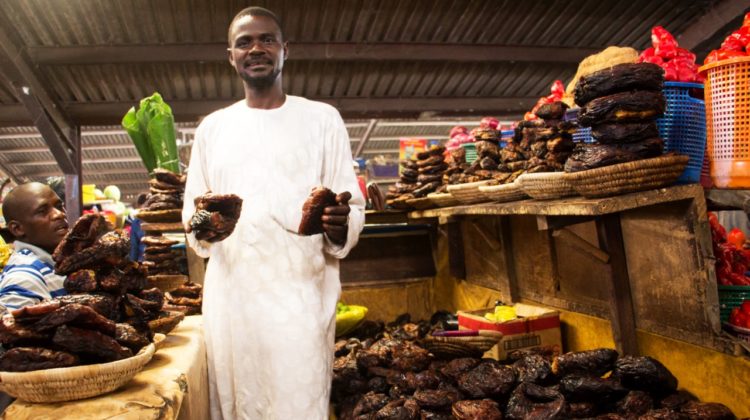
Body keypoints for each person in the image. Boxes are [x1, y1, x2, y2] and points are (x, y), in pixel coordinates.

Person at [181, 7, 365, 419]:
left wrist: (340, 223)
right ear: (231, 56)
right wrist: (206, 228)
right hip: (234, 297)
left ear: (285, 50)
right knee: (238, 400)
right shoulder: (213, 128)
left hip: (300, 293)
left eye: (266, 39)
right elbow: (192, 218)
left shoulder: (322, 119)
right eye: (244, 42)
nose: (256, 48)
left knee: (298, 398)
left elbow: (351, 205)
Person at [0, 182, 68, 312]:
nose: (59, 214)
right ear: (17, 229)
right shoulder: (23, 277)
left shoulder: (53, 265)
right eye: (42, 211)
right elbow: (10, 328)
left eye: (59, 206)